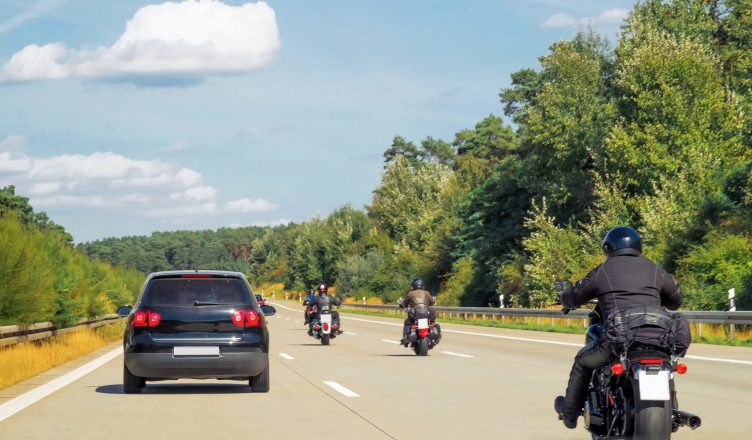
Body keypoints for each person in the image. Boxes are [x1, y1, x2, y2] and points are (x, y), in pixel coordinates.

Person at [553, 226, 684, 429]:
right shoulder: (654, 268)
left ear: (608, 249)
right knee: (665, 363)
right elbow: (675, 301)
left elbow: (575, 295)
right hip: (660, 337)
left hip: (621, 337)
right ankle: (671, 410)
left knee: (583, 360)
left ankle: (569, 415)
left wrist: (563, 297)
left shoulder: (604, 270)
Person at [399, 277, 437, 346]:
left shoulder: (410, 294)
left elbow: (404, 303)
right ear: (422, 285)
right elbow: (432, 302)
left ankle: (405, 339)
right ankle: (433, 331)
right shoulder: (427, 293)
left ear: (413, 285)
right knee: (432, 323)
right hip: (426, 313)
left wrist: (401, 304)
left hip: (415, 314)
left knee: (407, 322)